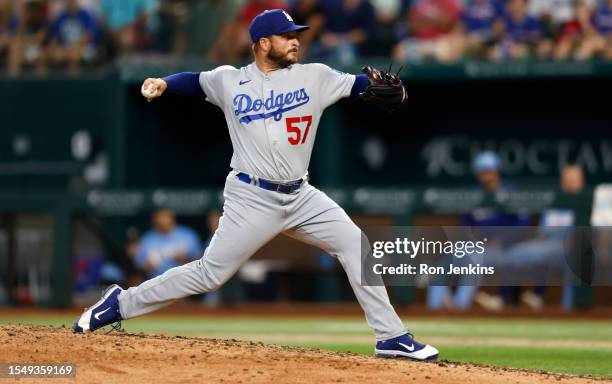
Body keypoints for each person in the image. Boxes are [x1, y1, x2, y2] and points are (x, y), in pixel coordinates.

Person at [72, 9, 437, 361]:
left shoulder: (316, 76)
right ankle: (118, 303)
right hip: (252, 197)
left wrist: (385, 89)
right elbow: (194, 80)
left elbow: (362, 85)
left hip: (301, 195)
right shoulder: (229, 80)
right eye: (287, 36)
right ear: (263, 43)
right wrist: (164, 83)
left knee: (356, 246)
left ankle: (391, 337)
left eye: (297, 36)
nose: (296, 42)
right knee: (210, 274)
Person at [134, 209, 203, 279]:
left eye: (165, 216)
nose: (163, 220)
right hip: (157, 280)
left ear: (172, 218)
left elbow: (200, 261)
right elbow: (139, 266)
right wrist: (148, 266)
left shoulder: (187, 234)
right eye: (160, 217)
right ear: (154, 220)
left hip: (185, 279)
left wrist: (185, 258)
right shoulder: (147, 239)